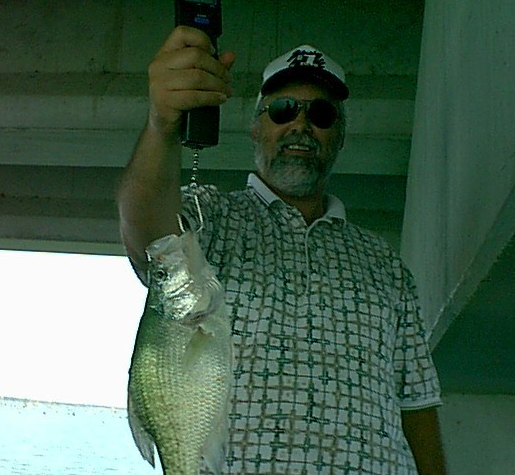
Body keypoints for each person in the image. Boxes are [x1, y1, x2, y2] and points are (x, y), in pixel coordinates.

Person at [117, 26, 447, 475]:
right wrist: (162, 122)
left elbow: (418, 406)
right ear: (256, 128)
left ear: (340, 137)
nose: (300, 125)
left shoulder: (386, 264)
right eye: (283, 110)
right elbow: (148, 233)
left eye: (322, 115)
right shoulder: (208, 220)